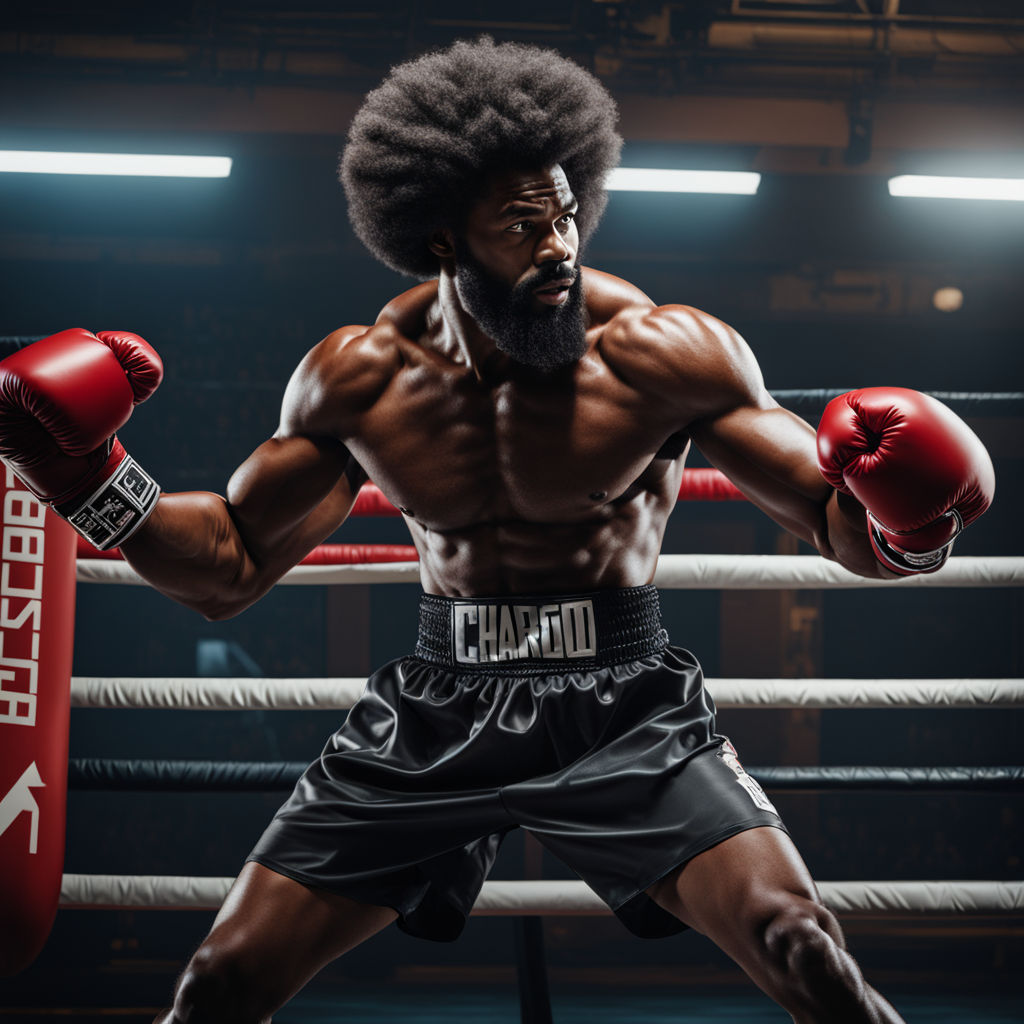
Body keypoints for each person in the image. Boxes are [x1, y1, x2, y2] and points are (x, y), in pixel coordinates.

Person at [0, 36, 994, 1024]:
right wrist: (87, 475)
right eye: (523, 226)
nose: (559, 246)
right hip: (438, 712)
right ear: (441, 238)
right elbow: (229, 564)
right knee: (219, 982)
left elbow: (838, 527)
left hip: (624, 708)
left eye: (565, 216)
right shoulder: (359, 376)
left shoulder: (662, 351)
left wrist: (912, 521)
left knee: (800, 942)